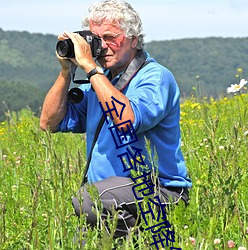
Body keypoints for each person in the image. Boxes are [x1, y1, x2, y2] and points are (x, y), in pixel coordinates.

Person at [40, 0, 192, 246]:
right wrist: (66, 70)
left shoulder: (154, 77)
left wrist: (90, 67)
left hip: (159, 191)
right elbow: (49, 122)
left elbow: (127, 121)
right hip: (111, 200)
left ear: (133, 39)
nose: (102, 47)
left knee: (88, 199)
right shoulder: (99, 83)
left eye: (110, 37)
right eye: (96, 39)